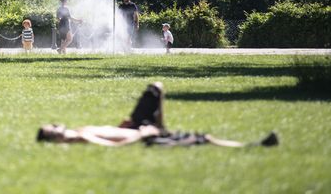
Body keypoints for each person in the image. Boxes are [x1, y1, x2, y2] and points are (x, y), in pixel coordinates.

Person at [37, 82, 278, 148]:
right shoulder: (79, 139)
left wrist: (123, 127)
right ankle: (253, 146)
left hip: (133, 128)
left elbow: (113, 135)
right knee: (204, 139)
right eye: (54, 128)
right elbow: (114, 147)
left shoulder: (78, 132)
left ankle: (158, 101)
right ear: (56, 139)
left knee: (155, 88)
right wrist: (143, 133)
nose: (58, 125)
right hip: (144, 135)